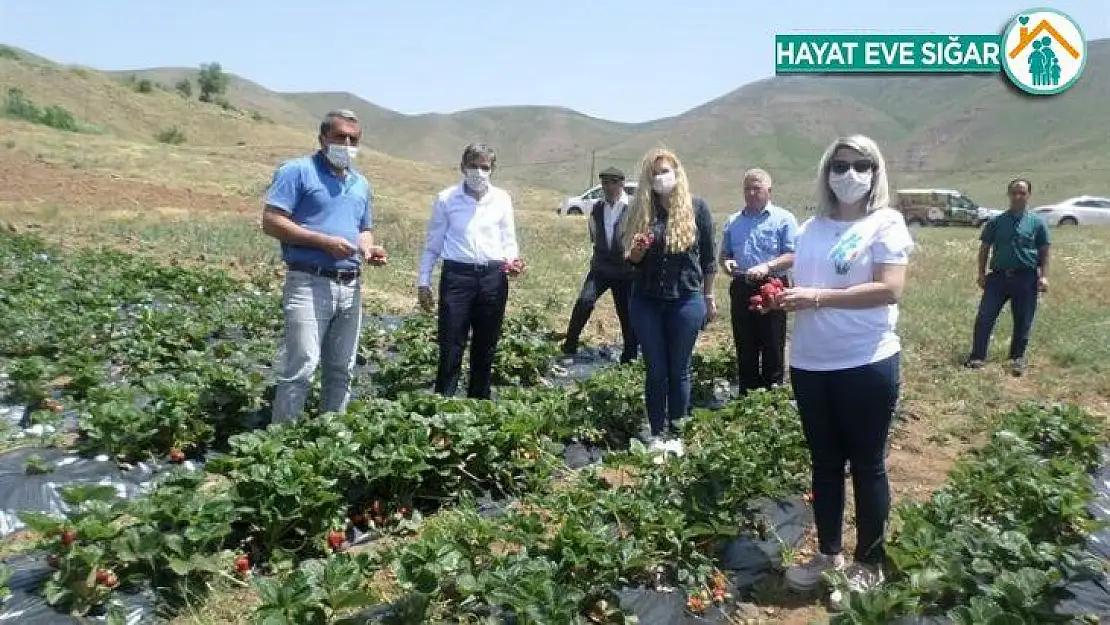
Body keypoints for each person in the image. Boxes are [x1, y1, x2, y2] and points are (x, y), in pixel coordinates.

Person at [774, 135, 914, 603]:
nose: (849, 174)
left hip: (865, 361)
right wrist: (784, 297)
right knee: (825, 463)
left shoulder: (885, 223)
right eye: (839, 165)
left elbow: (890, 289)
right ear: (826, 171)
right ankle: (829, 555)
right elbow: (806, 284)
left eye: (860, 165)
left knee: (867, 464)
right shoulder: (811, 228)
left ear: (875, 172)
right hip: (810, 363)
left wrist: (816, 298)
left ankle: (868, 562)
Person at [261, 109, 388, 423]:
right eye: (340, 137)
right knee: (303, 363)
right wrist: (323, 242)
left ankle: (331, 439)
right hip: (309, 281)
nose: (346, 144)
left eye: (353, 139)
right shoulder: (297, 171)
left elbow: (363, 228)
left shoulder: (360, 183)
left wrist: (369, 248)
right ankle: (282, 442)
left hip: (351, 284)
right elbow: (272, 221)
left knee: (341, 367)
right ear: (322, 138)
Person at [622, 147, 717, 453]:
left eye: (665, 171)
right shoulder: (640, 210)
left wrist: (709, 297)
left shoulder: (697, 209)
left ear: (677, 173)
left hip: (686, 300)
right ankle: (656, 433)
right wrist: (636, 253)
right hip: (646, 301)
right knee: (656, 369)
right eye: (654, 173)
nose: (660, 178)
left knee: (680, 368)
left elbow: (708, 261)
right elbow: (630, 261)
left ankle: (677, 433)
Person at [416, 143, 523, 399]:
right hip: (457, 277)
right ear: (462, 167)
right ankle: (444, 403)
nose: (478, 172)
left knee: (486, 345)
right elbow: (433, 244)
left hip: (493, 278)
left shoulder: (502, 199)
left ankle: (479, 404)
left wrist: (513, 262)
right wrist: (423, 281)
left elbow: (508, 239)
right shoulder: (446, 199)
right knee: (451, 343)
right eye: (473, 166)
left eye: (484, 167)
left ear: (492, 170)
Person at [718, 168, 798, 393]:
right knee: (745, 345)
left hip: (772, 287)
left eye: (757, 188)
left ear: (769, 191)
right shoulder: (733, 221)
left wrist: (768, 266)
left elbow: (792, 255)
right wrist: (727, 264)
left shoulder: (784, 219)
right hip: (742, 286)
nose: (751, 193)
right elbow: (724, 255)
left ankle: (771, 400)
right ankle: (747, 397)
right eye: (747, 189)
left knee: (773, 345)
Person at [964, 178, 1049, 377]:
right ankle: (977, 357)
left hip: (1026, 278)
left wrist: (1044, 276)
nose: (1018, 196)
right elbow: (984, 248)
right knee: (985, 316)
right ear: (1008, 195)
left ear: (1029, 195)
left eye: (1022, 193)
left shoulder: (1037, 223)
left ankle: (1016, 360)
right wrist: (981, 273)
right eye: (1014, 192)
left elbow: (1044, 251)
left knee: (1023, 320)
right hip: (998, 279)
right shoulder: (996, 222)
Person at [561, 166, 638, 363]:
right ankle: (569, 346)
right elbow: (594, 235)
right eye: (605, 182)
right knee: (584, 301)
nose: (609, 186)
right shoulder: (597, 208)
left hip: (625, 270)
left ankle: (629, 357)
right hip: (601, 268)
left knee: (627, 315)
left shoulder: (633, 207)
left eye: (613, 182)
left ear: (621, 183)